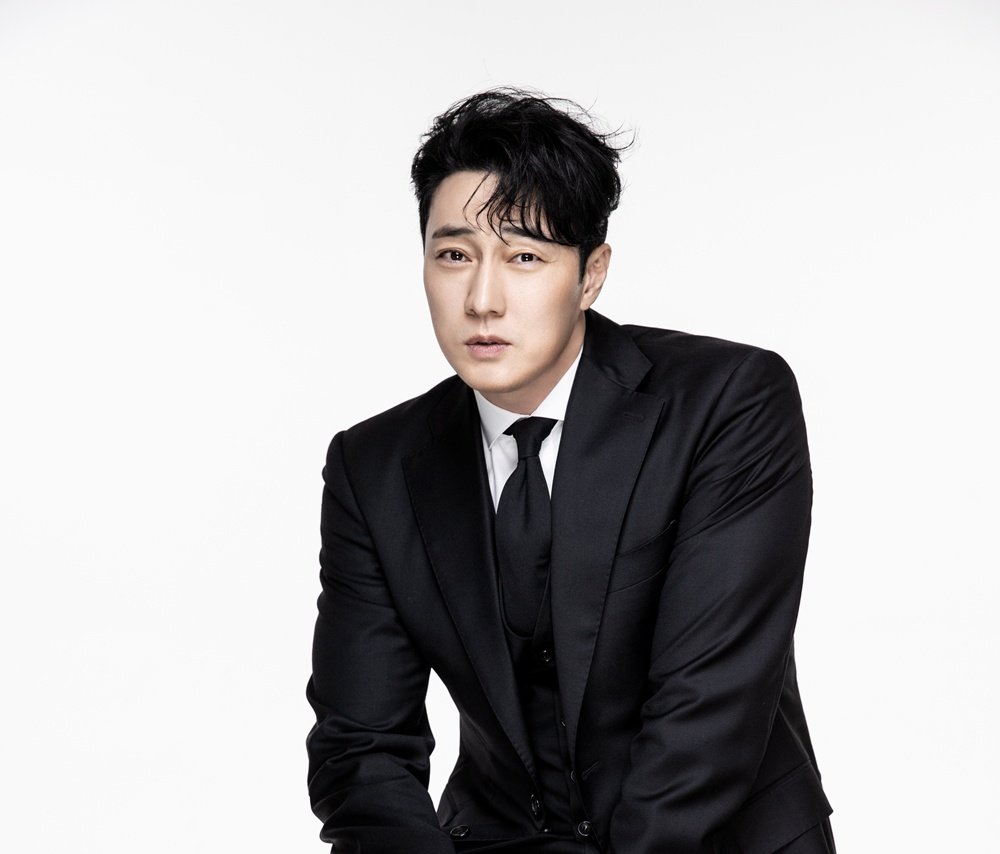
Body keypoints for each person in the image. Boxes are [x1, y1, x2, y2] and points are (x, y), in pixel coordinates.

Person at [306, 88, 835, 854]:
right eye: (454, 255)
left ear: (591, 275)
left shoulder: (727, 403)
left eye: (525, 257)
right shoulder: (374, 467)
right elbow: (363, 751)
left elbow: (705, 719)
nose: (482, 300)